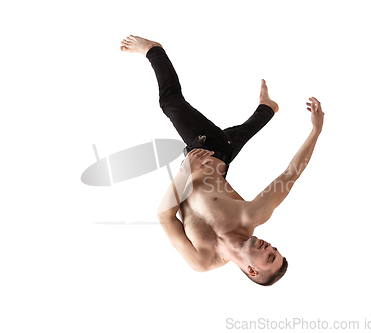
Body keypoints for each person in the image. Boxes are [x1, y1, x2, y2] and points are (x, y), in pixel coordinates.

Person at [120, 35, 324, 286]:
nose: (269, 247)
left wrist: (185, 172)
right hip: (208, 149)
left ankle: (267, 109)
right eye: (275, 249)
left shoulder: (202, 260)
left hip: (209, 161)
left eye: (269, 257)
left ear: (252, 270)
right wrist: (316, 131)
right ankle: (154, 50)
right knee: (171, 102)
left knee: (233, 138)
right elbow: (290, 175)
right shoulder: (252, 215)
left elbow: (165, 217)